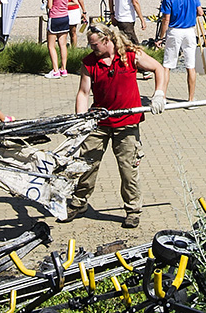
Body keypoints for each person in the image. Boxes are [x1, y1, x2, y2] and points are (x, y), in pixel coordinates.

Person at [66, 21, 166, 229]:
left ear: (107, 40)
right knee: (87, 164)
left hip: (127, 123)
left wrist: (159, 94)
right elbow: (83, 93)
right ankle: (79, 203)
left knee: (128, 168)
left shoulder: (131, 56)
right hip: (99, 121)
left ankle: (132, 210)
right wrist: (80, 120)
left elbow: (159, 68)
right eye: (90, 45)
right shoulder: (89, 63)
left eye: (95, 45)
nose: (92, 49)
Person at [158, 0, 201, 102]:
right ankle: (191, 99)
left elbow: (166, 19)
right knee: (190, 66)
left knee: (167, 65)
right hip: (189, 31)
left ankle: (163, 96)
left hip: (175, 31)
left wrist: (160, 37)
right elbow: (200, 11)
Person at [45, 0, 78, 78]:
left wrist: (50, 4)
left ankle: (55, 70)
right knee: (63, 45)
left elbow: (50, 5)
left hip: (54, 17)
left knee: (51, 45)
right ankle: (64, 69)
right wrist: (64, 3)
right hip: (65, 17)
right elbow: (75, 1)